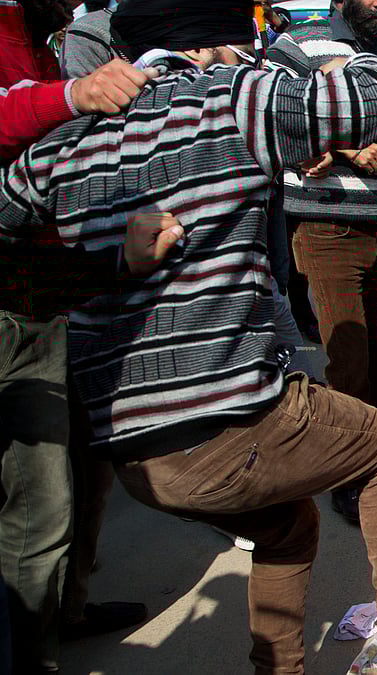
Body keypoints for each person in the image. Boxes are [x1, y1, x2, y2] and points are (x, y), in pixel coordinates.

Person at [3, 1, 377, 671]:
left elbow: (11, 226)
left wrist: (105, 253)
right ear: (212, 44)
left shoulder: (70, 141)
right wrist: (322, 51)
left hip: (133, 454)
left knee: (288, 525)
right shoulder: (232, 99)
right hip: (228, 423)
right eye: (239, 43)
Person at [0, 0, 160, 670]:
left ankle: (69, 604)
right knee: (39, 504)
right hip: (18, 303)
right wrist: (73, 94)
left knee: (88, 464)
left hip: (44, 293)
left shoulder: (39, 39)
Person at [268, 0, 377, 525]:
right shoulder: (296, 47)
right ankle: (351, 476)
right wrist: (352, 151)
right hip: (328, 229)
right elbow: (282, 128)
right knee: (348, 357)